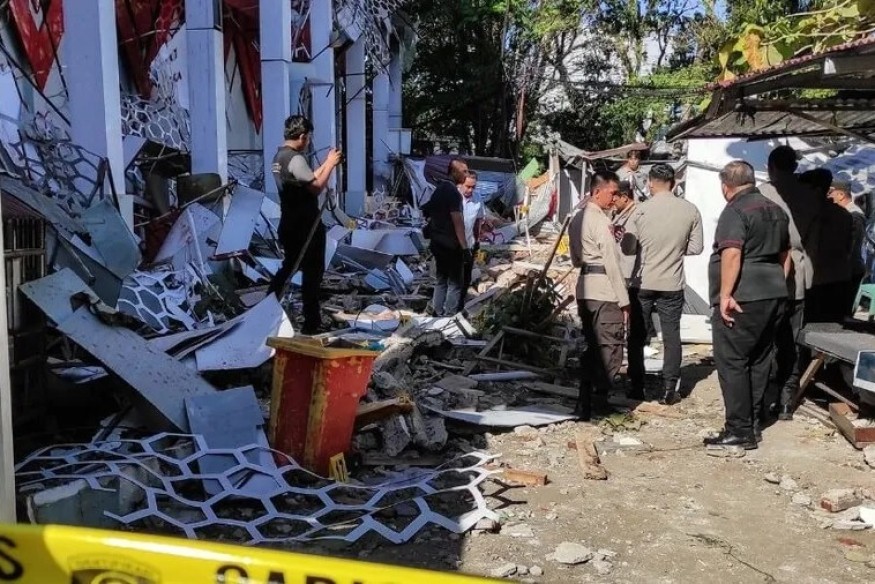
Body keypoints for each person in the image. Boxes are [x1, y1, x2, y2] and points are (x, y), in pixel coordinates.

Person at [704, 161, 790, 450]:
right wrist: (778, 284)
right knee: (759, 359)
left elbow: (732, 254)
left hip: (744, 296)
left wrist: (725, 295)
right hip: (773, 293)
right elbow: (786, 254)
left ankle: (739, 430)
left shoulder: (736, 210)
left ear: (725, 186)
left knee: (733, 361)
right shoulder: (776, 210)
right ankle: (752, 422)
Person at [621, 164, 704, 404]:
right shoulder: (690, 210)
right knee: (671, 335)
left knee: (637, 336)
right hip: (672, 283)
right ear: (674, 183)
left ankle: (637, 387)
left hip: (643, 281)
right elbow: (696, 247)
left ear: (650, 183)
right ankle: (669, 388)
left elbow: (628, 248)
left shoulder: (640, 211)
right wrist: (675, 249)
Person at [267, 115, 342, 335]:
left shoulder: (279, 157)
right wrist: (330, 165)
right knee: (312, 274)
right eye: (308, 138)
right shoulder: (296, 158)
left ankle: (266, 310)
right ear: (302, 137)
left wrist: (325, 164)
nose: (308, 142)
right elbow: (316, 187)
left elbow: (307, 179)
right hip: (305, 226)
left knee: (288, 268)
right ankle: (311, 323)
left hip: (289, 223)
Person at [758, 147, 818, 421]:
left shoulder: (763, 193)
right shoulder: (811, 194)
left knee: (764, 343)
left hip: (768, 276)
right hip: (800, 278)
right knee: (790, 344)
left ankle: (759, 403)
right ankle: (785, 402)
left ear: (771, 166)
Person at [570, 171, 630, 421]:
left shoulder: (577, 219)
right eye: (612, 193)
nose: (615, 198)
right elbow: (612, 262)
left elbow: (575, 259)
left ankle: (584, 400)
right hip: (604, 289)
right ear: (597, 192)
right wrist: (624, 300)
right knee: (610, 346)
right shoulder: (600, 221)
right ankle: (599, 399)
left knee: (592, 346)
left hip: (585, 286)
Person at [802, 169, 853, 323]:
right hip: (838, 278)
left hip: (814, 280)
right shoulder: (844, 215)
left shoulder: (807, 213)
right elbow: (848, 247)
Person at [423, 158, 472, 316]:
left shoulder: (439, 190)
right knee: (455, 283)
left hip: (437, 243)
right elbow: (457, 222)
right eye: (464, 171)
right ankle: (450, 315)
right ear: (453, 172)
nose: (466, 174)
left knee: (441, 279)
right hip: (451, 245)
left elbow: (426, 210)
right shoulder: (453, 193)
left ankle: (437, 312)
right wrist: (465, 248)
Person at [828, 179, 866, 313]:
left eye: (831, 193)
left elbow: (852, 246)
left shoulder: (854, 215)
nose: (829, 196)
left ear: (841, 195)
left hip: (850, 271)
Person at [459, 170, 484, 312]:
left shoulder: (477, 198)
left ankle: (459, 307)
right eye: (467, 186)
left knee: (466, 277)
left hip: (470, 244)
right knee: (453, 279)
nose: (470, 190)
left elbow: (478, 221)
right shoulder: (454, 197)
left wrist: (477, 241)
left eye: (473, 187)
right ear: (460, 184)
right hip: (453, 245)